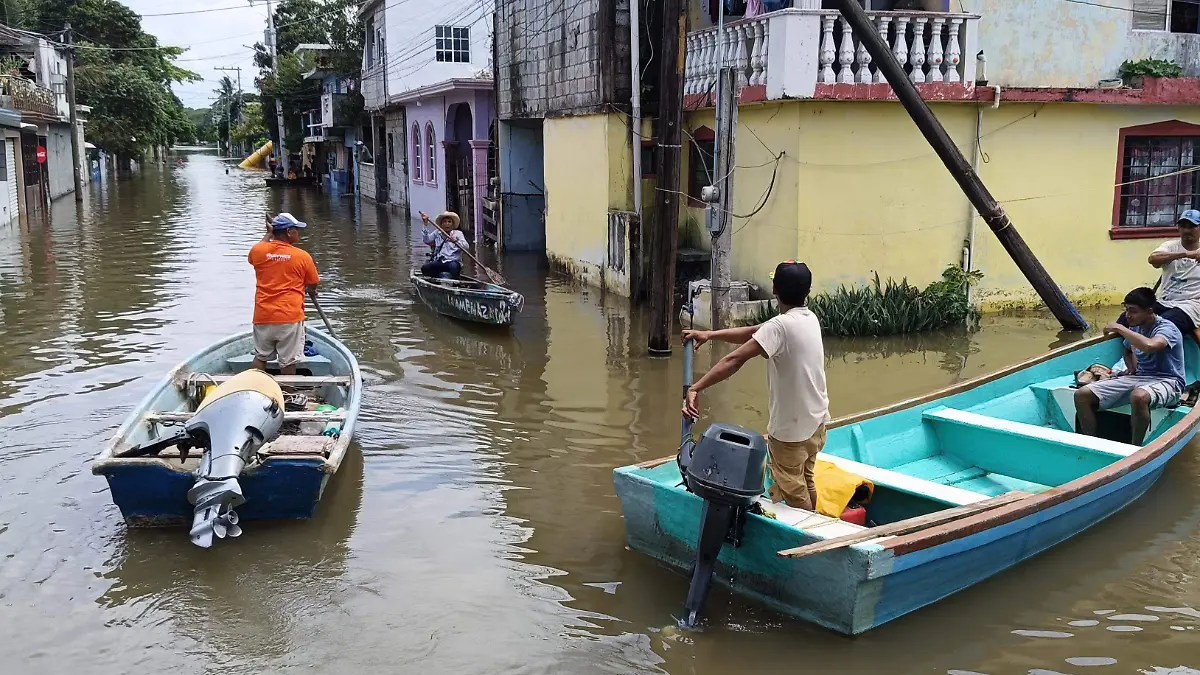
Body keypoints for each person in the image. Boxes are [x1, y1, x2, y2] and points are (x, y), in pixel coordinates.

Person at [682, 261, 830, 511]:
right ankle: (816, 519)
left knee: (794, 491)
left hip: (790, 433)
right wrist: (709, 335)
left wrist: (695, 388)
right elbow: (754, 332)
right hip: (817, 423)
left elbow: (734, 359)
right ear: (807, 292)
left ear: (774, 290)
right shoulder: (807, 318)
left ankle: (810, 536)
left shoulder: (781, 327)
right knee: (806, 479)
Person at [1076, 287, 1185, 445]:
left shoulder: (1167, 328)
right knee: (1082, 394)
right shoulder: (1136, 328)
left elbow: (1150, 345)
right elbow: (1127, 347)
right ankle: (1090, 444)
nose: (1128, 315)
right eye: (1126, 310)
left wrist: (1120, 328)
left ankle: (1134, 449)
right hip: (1140, 377)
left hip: (1169, 381)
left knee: (1139, 396)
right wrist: (1131, 366)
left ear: (1149, 311)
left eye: (1133, 311)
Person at [248, 213, 320, 376]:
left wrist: (268, 234)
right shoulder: (302, 256)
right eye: (296, 230)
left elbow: (254, 256)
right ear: (288, 232)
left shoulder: (259, 251)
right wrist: (311, 290)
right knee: (288, 361)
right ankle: (289, 396)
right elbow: (313, 282)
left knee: (260, 356)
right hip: (289, 317)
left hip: (263, 315)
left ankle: (252, 388)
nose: (298, 233)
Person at [1140, 209, 1200, 345]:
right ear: (1178, 228)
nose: (1187, 230)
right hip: (1165, 301)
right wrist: (1184, 254)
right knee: (1131, 316)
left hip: (1191, 306)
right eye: (1183, 226)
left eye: (1192, 226)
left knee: (1162, 323)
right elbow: (1153, 259)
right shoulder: (1169, 246)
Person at [420, 210, 468, 279]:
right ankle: (435, 280)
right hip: (440, 261)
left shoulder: (458, 234)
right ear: (441, 224)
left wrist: (456, 241)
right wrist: (425, 224)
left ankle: (455, 283)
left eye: (449, 222)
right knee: (425, 268)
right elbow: (426, 240)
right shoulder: (437, 233)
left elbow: (466, 246)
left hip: (452, 262)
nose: (447, 224)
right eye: (444, 222)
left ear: (452, 224)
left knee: (454, 267)